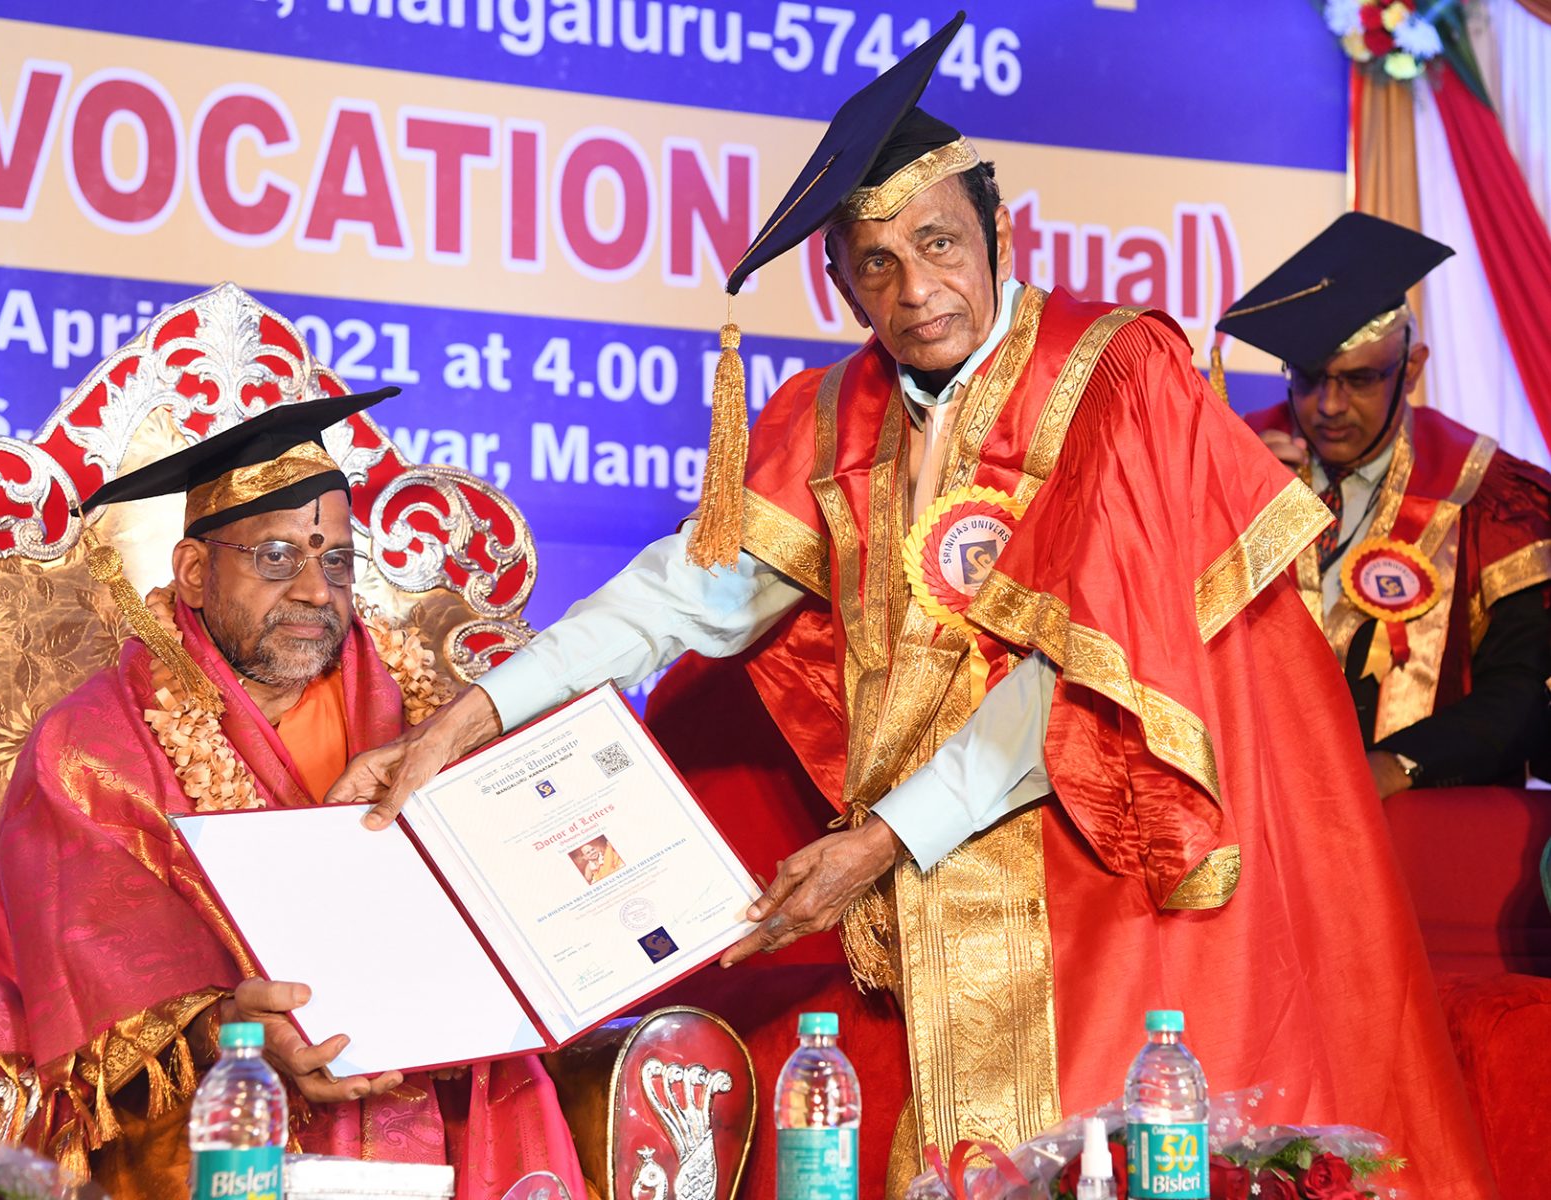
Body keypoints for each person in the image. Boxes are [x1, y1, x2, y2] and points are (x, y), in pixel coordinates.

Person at [330, 18, 1496, 1197]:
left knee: (1114, 1162)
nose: (916, 286)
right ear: (838, 279)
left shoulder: (1119, 376)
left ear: (1000, 229)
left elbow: (1099, 667)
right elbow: (672, 601)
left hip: (1105, 872)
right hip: (927, 889)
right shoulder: (830, 412)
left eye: (939, 241)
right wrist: (466, 720)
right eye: (874, 262)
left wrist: (887, 838)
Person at [0, 391, 584, 1200]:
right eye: (276, 558)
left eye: (335, 562)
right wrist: (229, 1030)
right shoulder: (92, 744)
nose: (314, 592)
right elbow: (82, 963)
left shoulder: (428, 722)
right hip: (204, 1101)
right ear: (193, 572)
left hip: (436, 1075)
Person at [1221, 213, 1551, 798]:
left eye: (1360, 379)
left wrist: (1392, 768)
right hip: (1255, 815)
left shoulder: (1488, 495)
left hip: (1420, 828)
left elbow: (1520, 692)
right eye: (1309, 378)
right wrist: (1234, 522)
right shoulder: (1230, 463)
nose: (1328, 405)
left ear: (1413, 369)